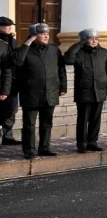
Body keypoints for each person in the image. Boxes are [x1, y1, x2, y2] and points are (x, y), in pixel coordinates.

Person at [12, 24, 67, 159]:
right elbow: (17, 62)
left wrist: (63, 87)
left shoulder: (54, 49)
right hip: (31, 93)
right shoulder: (24, 50)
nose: (46, 36)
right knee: (29, 124)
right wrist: (27, 43)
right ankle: (29, 150)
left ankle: (44, 148)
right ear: (33, 36)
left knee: (47, 122)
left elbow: (61, 69)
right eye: (42, 34)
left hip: (50, 91)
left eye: (47, 33)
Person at [64, 29, 107, 153]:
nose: (94, 41)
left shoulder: (103, 52)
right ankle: (82, 143)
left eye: (96, 39)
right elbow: (68, 59)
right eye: (91, 39)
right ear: (84, 40)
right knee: (83, 119)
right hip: (84, 91)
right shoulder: (79, 53)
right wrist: (78, 45)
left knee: (95, 119)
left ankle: (92, 142)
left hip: (99, 90)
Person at [0, 16, 19, 146]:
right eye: (6, 26)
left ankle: (8, 136)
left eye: (10, 26)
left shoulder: (12, 41)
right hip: (2, 79)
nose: (9, 28)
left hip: (13, 79)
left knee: (11, 109)